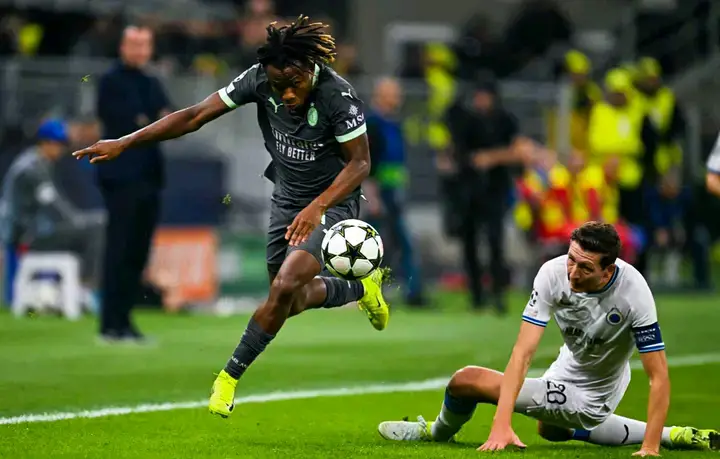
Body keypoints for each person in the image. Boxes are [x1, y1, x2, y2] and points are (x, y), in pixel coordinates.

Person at [72, 15, 390, 419]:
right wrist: (126, 142)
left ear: (310, 68)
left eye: (294, 84)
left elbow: (360, 164)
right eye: (278, 86)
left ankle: (228, 377)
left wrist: (318, 207)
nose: (286, 94)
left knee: (286, 284)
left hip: (332, 201)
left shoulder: (338, 95)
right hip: (288, 198)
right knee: (287, 299)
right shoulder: (257, 79)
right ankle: (360, 289)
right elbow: (194, 115)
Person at [377, 221, 719, 455]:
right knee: (550, 429)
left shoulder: (634, 294)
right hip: (567, 365)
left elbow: (658, 376)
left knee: (464, 381)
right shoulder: (553, 274)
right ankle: (674, 434)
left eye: (585, 268)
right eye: (571, 259)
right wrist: (502, 424)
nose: (573, 273)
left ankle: (434, 432)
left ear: (608, 272)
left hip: (597, 391)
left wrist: (650, 450)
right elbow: (523, 352)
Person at [94, 25, 172, 342]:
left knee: (138, 253)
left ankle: (125, 321)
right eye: (134, 44)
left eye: (144, 44)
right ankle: (110, 323)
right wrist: (148, 122)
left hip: (150, 178)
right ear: (122, 47)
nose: (140, 51)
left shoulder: (152, 81)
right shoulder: (110, 80)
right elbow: (132, 121)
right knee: (119, 250)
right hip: (121, 177)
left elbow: (167, 118)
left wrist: (147, 121)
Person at [444, 76, 528, 312]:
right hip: (469, 190)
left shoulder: (505, 120)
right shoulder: (465, 120)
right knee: (469, 242)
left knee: (495, 241)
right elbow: (456, 151)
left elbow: (518, 151)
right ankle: (476, 295)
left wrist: (491, 158)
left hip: (495, 189)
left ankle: (498, 294)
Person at [0, 119, 103, 305]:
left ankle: (82, 285)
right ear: (45, 142)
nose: (61, 149)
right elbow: (53, 204)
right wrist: (77, 221)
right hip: (24, 236)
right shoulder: (32, 167)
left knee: (94, 224)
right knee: (96, 226)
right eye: (58, 144)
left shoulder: (37, 162)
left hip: (28, 231)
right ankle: (86, 287)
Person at [365, 77, 425, 306]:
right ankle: (372, 292)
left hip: (394, 193)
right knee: (376, 246)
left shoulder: (395, 124)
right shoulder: (372, 124)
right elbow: (368, 162)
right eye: (393, 94)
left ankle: (411, 292)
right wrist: (372, 196)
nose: (398, 98)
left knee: (398, 244)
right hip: (380, 193)